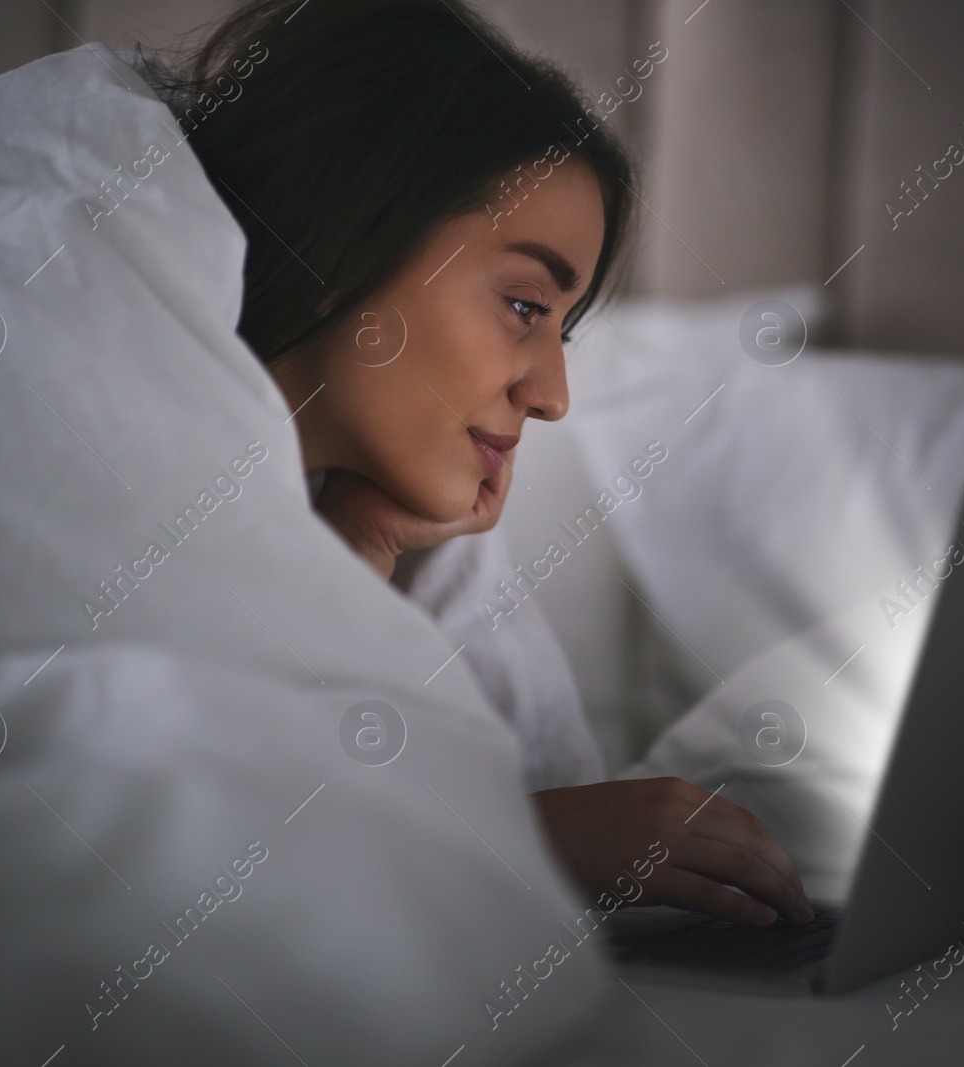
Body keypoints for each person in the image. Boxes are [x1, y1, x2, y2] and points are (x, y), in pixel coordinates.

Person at [140, 0, 812, 927]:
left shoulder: (354, 513)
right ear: (350, 230)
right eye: (527, 307)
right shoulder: (124, 486)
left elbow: (300, 775)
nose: (553, 396)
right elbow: (175, 870)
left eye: (564, 330)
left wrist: (367, 537)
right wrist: (522, 838)